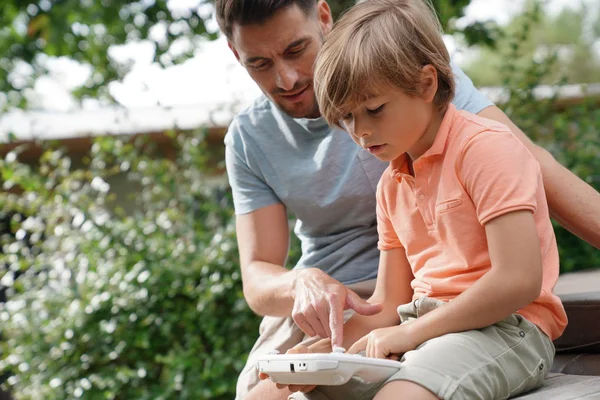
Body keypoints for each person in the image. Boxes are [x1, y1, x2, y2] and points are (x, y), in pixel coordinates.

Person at [213, 1, 600, 399]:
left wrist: (406, 332)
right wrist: (330, 349)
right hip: (405, 317)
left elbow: (518, 280)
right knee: (270, 393)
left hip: (500, 326)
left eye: (373, 110)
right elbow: (387, 304)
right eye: (345, 119)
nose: (360, 133)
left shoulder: (483, 145)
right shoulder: (391, 182)